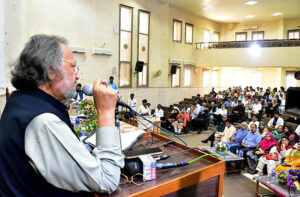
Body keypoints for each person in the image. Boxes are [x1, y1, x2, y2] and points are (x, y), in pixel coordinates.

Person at [0, 35, 124, 196]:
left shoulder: (20, 100)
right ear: (51, 70)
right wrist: (106, 112)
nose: (77, 76)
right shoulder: (44, 121)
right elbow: (107, 180)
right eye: (73, 67)